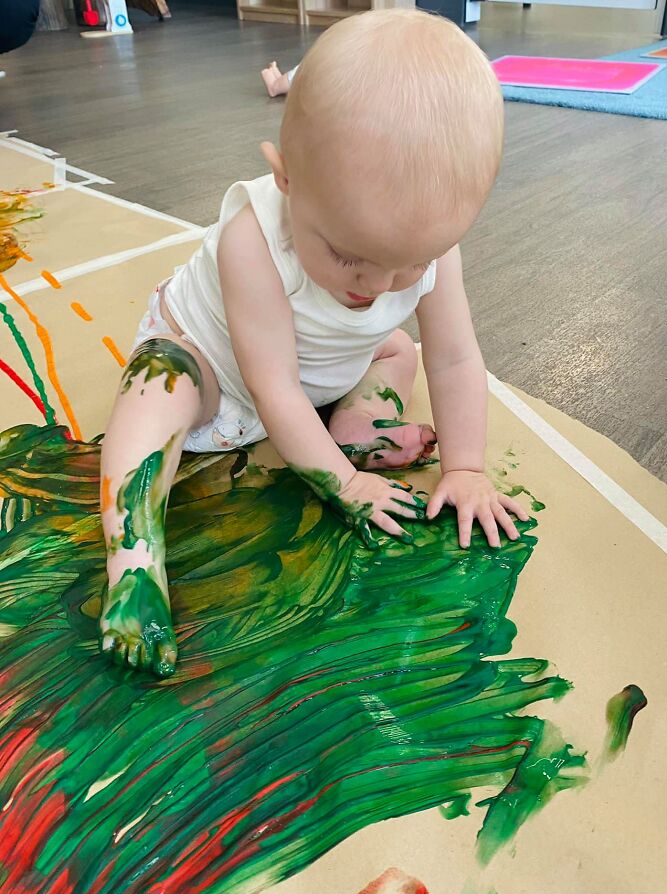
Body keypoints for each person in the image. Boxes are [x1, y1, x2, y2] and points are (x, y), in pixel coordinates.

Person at [99, 9, 528, 678]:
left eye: (410, 262)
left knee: (399, 351)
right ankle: (132, 561)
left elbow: (454, 356)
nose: (379, 285)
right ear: (285, 177)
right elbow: (269, 386)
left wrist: (466, 467)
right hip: (216, 367)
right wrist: (346, 483)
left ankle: (350, 426)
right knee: (152, 393)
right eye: (349, 256)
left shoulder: (428, 254)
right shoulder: (253, 239)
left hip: (318, 375)